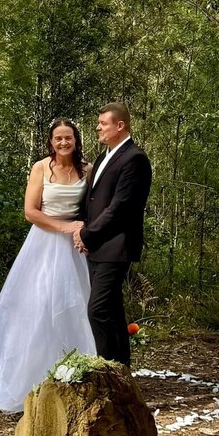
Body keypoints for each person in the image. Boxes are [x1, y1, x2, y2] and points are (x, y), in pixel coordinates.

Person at [0, 118, 96, 412]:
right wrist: (64, 228)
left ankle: (71, 376)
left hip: (75, 248)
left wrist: (81, 230)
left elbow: (92, 207)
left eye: (68, 138)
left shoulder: (86, 170)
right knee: (37, 308)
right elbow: (30, 212)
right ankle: (29, 378)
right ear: (50, 142)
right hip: (44, 244)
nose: (63, 143)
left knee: (74, 308)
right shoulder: (40, 168)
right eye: (58, 139)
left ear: (76, 140)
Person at [73, 103, 152, 366]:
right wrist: (81, 228)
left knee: (98, 311)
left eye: (103, 123)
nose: (98, 127)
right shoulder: (103, 157)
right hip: (98, 247)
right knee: (114, 311)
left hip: (117, 246)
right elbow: (92, 200)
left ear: (120, 126)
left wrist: (87, 234)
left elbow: (120, 208)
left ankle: (105, 370)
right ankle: (121, 371)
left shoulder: (135, 159)